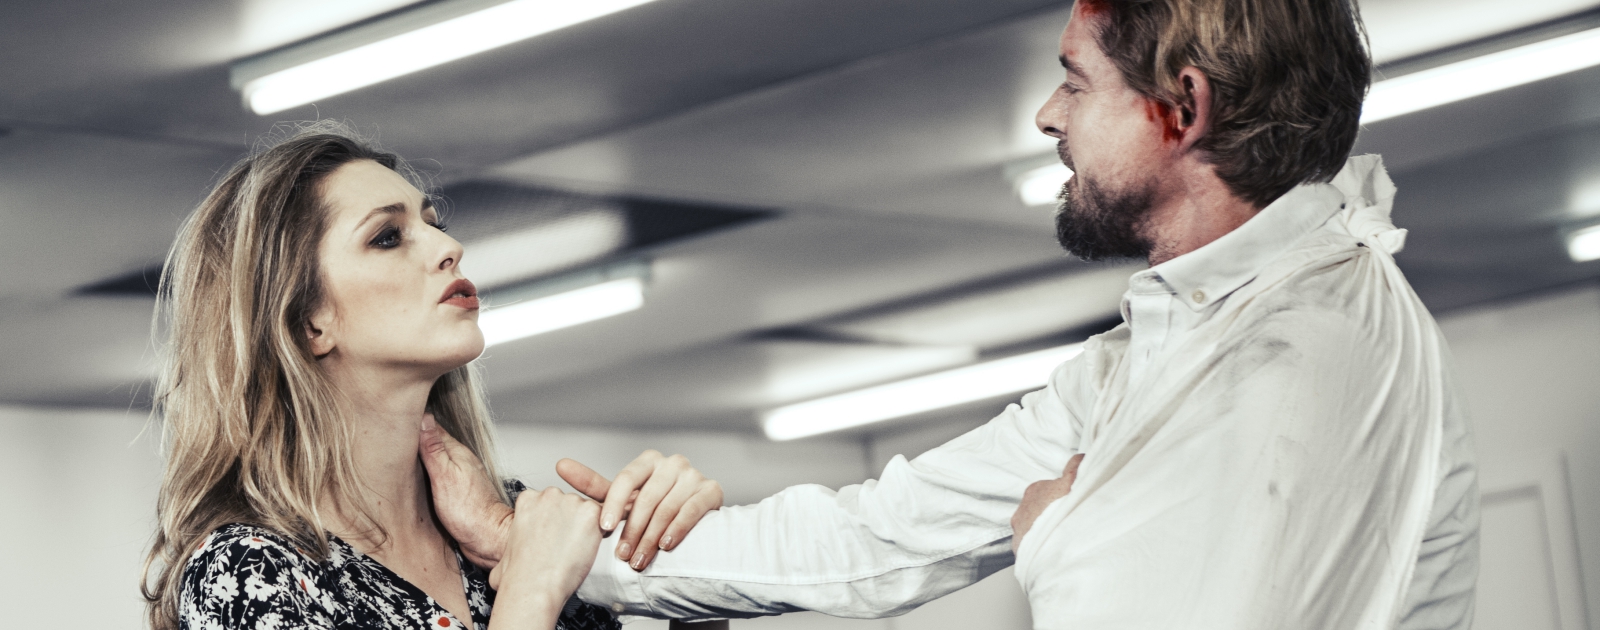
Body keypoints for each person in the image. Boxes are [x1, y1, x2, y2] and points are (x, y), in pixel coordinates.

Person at [433, 0, 1480, 627]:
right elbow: (877, 537)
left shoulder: (1301, 360)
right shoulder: (1175, 342)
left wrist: (1057, 536)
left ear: (1184, 107)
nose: (1047, 115)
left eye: (1076, 84)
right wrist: (535, 542)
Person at [139, 123, 725, 630]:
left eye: (433, 223)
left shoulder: (508, 523)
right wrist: (532, 588)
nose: (450, 246)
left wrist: (687, 565)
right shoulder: (249, 570)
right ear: (309, 321)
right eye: (387, 237)